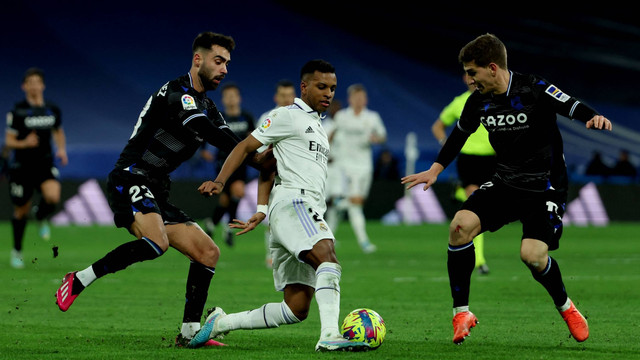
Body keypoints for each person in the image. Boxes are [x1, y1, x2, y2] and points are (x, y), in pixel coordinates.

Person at [54, 32, 268, 348]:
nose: (224, 70)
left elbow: (237, 148)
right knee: (157, 243)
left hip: (156, 188)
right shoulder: (178, 93)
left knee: (208, 252)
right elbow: (208, 132)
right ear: (198, 59)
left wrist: (267, 163)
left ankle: (190, 332)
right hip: (130, 177)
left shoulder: (208, 106)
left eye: (227, 64)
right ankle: (79, 279)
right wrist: (258, 155)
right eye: (218, 61)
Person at [402, 33, 612, 345]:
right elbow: (459, 135)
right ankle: (462, 313)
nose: (470, 80)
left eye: (473, 73)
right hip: (505, 181)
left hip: (545, 186)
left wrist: (592, 116)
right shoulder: (478, 101)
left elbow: (569, 104)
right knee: (459, 227)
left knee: (532, 256)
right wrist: (435, 169)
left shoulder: (533, 87)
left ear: (492, 68)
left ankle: (566, 307)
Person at [190, 59, 370, 352]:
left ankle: (220, 323)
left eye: (333, 88)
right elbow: (245, 147)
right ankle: (329, 335)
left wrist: (261, 208)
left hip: (298, 208)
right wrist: (221, 181)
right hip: (294, 203)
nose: (328, 93)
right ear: (304, 87)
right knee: (328, 259)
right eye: (321, 86)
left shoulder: (318, 125)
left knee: (296, 307)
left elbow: (267, 165)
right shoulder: (287, 116)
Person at [431, 74, 496, 275]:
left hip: (493, 159)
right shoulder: (459, 102)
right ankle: (480, 261)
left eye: (475, 74)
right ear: (464, 79)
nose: (472, 79)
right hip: (468, 160)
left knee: (486, 206)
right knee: (476, 205)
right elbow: (438, 127)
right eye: (469, 75)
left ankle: (459, 194)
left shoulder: (495, 99)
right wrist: (448, 146)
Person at [5, 67, 68, 268]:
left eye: (37, 82)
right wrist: (24, 143)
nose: (34, 86)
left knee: (53, 197)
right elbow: (9, 141)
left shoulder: (52, 109)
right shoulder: (17, 111)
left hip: (44, 163)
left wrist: (61, 149)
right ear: (24, 86)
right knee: (20, 210)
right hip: (22, 166)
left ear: (42, 85)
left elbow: (58, 131)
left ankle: (40, 216)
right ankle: (16, 250)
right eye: (29, 82)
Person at [328, 84, 386, 253]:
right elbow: (331, 134)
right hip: (345, 167)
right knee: (356, 204)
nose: (359, 101)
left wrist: (377, 138)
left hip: (365, 167)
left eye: (361, 97)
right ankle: (364, 242)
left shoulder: (372, 117)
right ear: (350, 99)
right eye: (356, 97)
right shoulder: (341, 116)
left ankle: (337, 205)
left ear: (365, 99)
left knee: (356, 202)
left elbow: (382, 136)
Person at [202, 82, 256, 247]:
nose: (231, 99)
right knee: (233, 195)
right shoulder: (219, 117)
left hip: (242, 162)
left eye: (234, 95)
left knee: (229, 198)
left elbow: (253, 137)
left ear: (239, 98)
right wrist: (205, 150)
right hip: (224, 162)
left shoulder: (246, 117)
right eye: (227, 96)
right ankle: (225, 227)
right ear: (223, 99)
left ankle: (213, 223)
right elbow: (205, 134)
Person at [256, 79, 296, 268]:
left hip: (297, 178)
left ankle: (293, 254)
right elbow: (259, 148)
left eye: (290, 95)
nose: (287, 99)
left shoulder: (301, 117)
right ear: (276, 97)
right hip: (275, 175)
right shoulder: (267, 117)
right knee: (273, 217)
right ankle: (271, 255)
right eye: (283, 95)